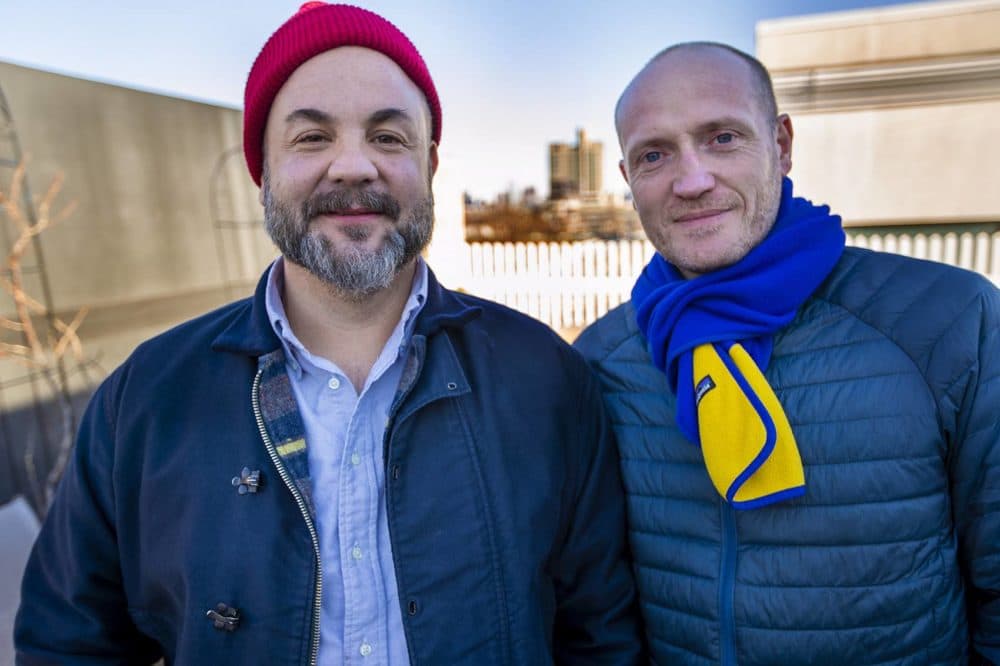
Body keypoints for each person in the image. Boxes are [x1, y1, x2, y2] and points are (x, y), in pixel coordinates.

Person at [15, 4, 644, 663]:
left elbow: (599, 634)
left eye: (388, 137)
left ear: (430, 164)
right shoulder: (145, 398)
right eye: (312, 138)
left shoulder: (544, 377)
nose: (352, 166)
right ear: (262, 168)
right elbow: (70, 643)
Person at [575, 41, 999, 665]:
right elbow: (595, 603)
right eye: (655, 154)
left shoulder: (948, 323)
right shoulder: (603, 359)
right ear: (628, 180)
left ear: (781, 144)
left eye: (722, 137)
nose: (692, 181)